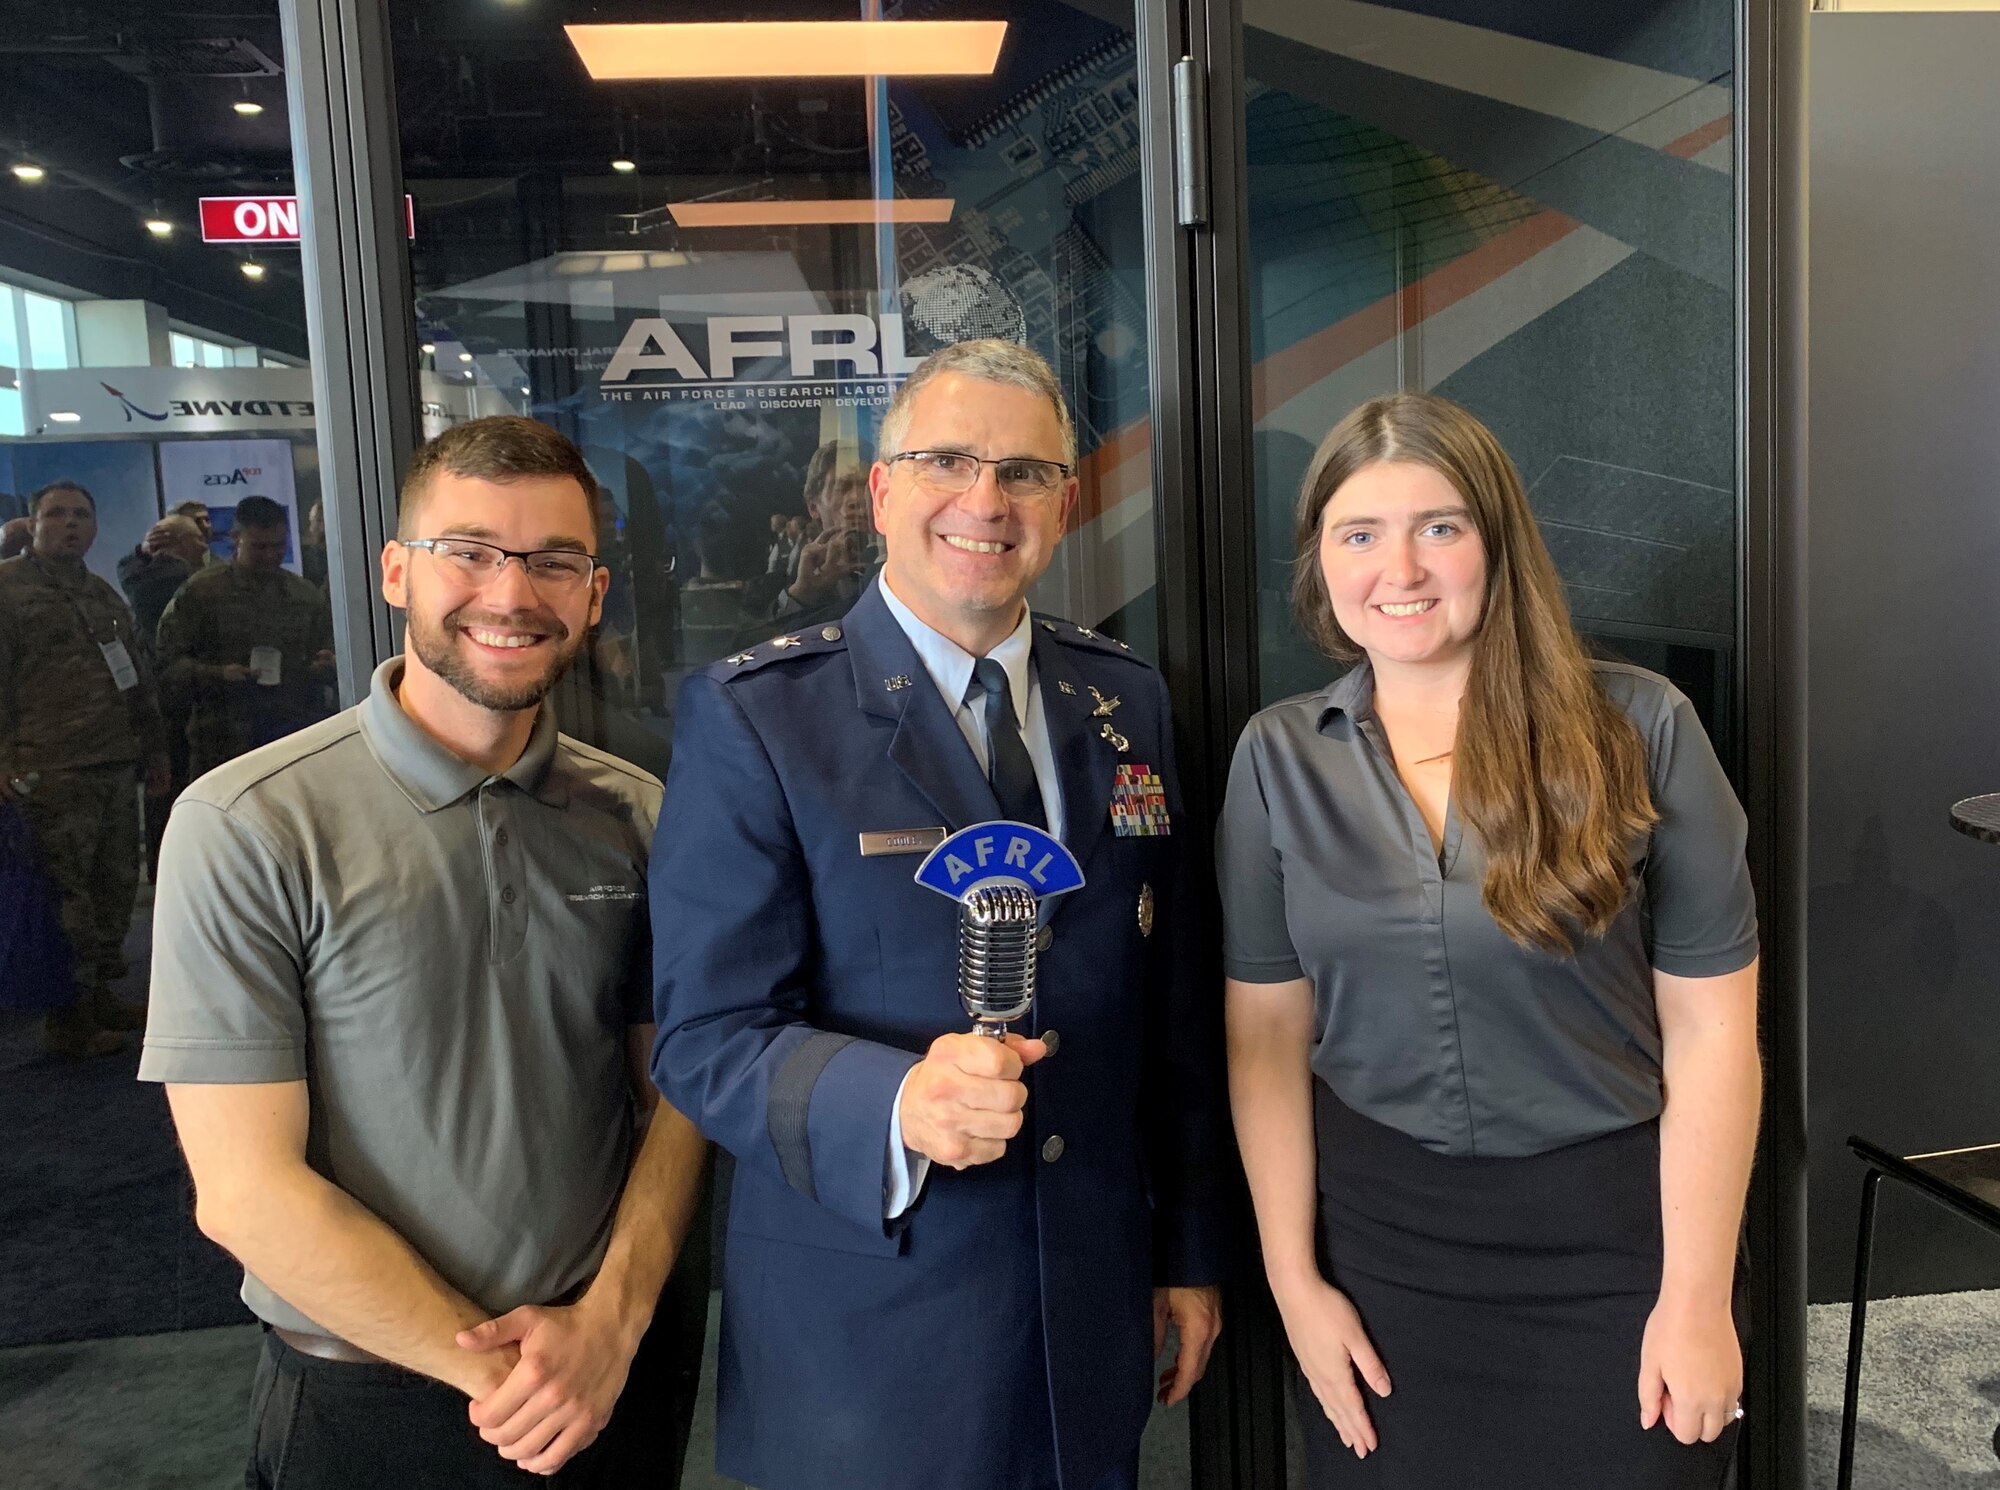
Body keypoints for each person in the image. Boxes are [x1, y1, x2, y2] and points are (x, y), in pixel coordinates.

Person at [651, 339, 1231, 1490]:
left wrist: (1186, 1249)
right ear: (879, 492)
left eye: (1023, 471)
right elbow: (704, 1038)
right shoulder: (761, 718)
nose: (985, 499)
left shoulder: (1125, 697)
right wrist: (898, 1100)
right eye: (946, 461)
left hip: (1086, 1303)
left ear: (1065, 503)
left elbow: (1167, 1006)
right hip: (870, 1326)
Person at [140, 415, 710, 1488]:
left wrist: (610, 1324)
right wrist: (510, 1378)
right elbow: (244, 1188)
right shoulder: (250, 822)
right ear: (397, 570)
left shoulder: (640, 815)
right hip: (369, 1394)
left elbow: (677, 1093)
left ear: (592, 594)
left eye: (554, 560)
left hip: (605, 1373)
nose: (511, 591)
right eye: (470, 551)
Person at [1219, 393, 1760, 1490]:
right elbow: (1265, 1038)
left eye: (1440, 526)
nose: (1399, 568)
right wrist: (1291, 1280)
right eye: (1357, 534)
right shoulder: (1277, 756)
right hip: (1379, 1253)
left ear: (1497, 543)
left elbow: (1712, 1030)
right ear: (1320, 565)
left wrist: (1695, 1298)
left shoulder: (1641, 727)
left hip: (1617, 1243)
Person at [0, 480, 169, 1058]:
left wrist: (155, 750)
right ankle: (66, 1020)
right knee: (63, 898)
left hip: (114, 762)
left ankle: (97, 995)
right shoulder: (7, 589)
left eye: (80, 514)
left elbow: (136, 676)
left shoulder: (101, 594)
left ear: (95, 527)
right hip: (49, 769)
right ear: (33, 524)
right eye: (56, 515)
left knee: (112, 889)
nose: (70, 524)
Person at [155, 495, 337, 779]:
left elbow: (328, 651)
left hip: (291, 738)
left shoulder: (304, 595)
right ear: (235, 538)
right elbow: (166, 666)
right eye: (259, 547)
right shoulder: (202, 592)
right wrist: (217, 674)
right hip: (222, 743)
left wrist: (326, 665)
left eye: (278, 546)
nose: (269, 555)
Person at [118, 513, 208, 643]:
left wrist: (142, 549)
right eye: (199, 539)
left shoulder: (137, 580)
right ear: (183, 541)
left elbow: (125, 571)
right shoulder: (181, 581)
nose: (204, 547)